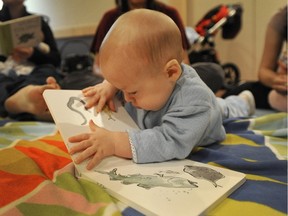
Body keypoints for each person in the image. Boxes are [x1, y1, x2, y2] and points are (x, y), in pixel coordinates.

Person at [68, 9, 255, 170]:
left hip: (207, 118)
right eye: (121, 88)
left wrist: (115, 143)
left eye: (132, 92)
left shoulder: (195, 101)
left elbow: (169, 141)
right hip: (181, 104)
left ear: (171, 72)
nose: (126, 98)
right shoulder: (151, 81)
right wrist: (109, 85)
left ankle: (242, 102)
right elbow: (124, 80)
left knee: (224, 109)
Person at [0, 0, 63, 120]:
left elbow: (55, 59)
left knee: (47, 70)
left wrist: (32, 54)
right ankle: (18, 101)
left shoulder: (39, 22)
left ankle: (19, 99)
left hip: (33, 72)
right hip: (4, 70)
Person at [222, 6, 287, 111]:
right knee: (234, 94)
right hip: (278, 91)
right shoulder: (281, 19)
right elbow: (264, 71)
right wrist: (277, 80)